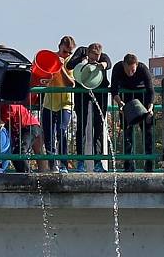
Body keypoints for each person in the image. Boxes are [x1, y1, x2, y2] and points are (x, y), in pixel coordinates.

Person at [67, 42, 112, 172]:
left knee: (98, 127)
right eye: (92, 58)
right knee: (81, 125)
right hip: (82, 91)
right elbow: (70, 65)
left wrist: (103, 64)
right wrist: (83, 61)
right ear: (88, 52)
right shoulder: (81, 52)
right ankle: (80, 161)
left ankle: (98, 162)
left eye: (96, 58)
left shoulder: (103, 57)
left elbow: (108, 62)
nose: (94, 60)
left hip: (99, 92)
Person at [110, 53, 155, 173]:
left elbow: (151, 90)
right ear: (124, 65)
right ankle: (128, 165)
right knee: (127, 133)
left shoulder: (143, 69)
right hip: (126, 100)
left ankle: (149, 164)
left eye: (133, 70)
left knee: (147, 132)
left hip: (142, 100)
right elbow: (113, 89)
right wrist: (120, 103)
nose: (131, 72)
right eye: (128, 70)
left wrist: (150, 107)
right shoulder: (118, 68)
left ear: (137, 65)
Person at [41, 36, 76, 173]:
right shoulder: (50, 58)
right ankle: (52, 165)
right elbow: (41, 77)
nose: (66, 54)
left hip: (65, 103)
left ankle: (63, 164)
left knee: (61, 131)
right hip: (49, 103)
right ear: (59, 47)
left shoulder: (70, 62)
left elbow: (71, 83)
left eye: (69, 52)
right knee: (49, 135)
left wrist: (61, 67)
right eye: (64, 51)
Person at [0, 103, 48, 172]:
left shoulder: (8, 104)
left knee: (20, 151)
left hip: (29, 126)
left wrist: (1, 122)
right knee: (36, 151)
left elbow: (11, 110)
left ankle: (28, 173)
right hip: (32, 126)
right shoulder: (3, 105)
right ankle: (39, 172)